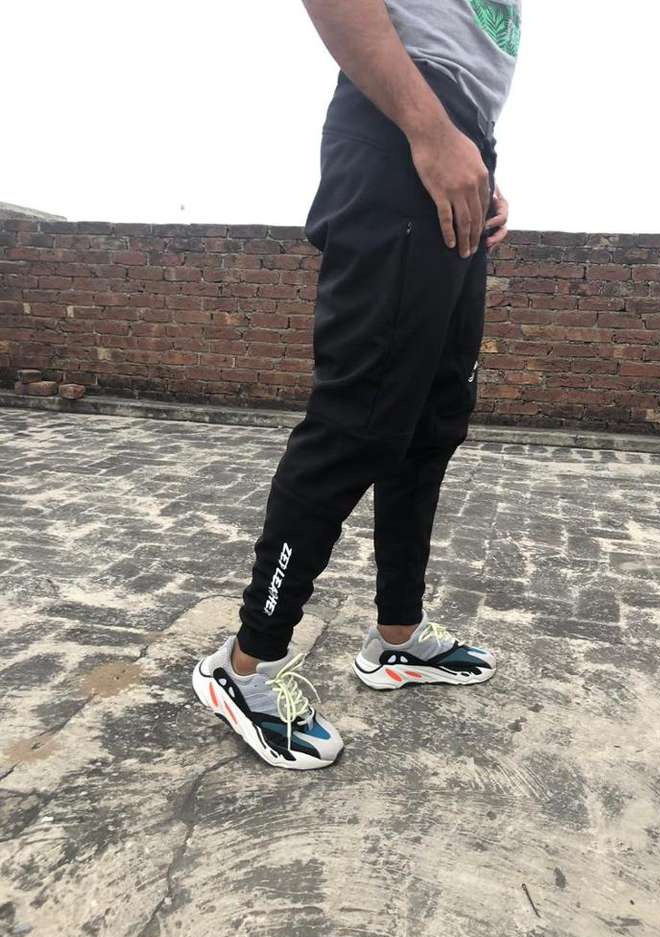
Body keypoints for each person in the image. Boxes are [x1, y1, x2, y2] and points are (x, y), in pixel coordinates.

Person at [193, 0, 522, 769]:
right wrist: (431, 133)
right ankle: (245, 665)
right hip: (401, 130)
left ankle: (397, 637)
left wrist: (473, 158)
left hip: (454, 141)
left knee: (433, 422)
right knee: (359, 420)